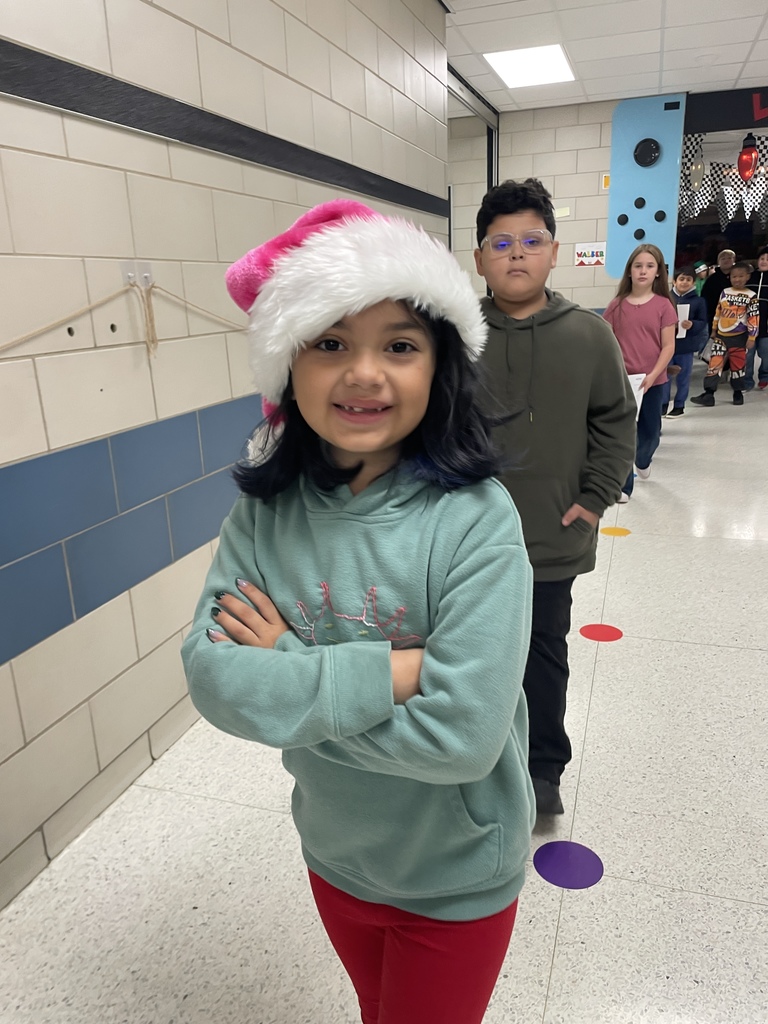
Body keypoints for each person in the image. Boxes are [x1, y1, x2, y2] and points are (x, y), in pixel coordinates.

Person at [182, 200, 536, 1024]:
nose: (365, 372)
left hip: (458, 874)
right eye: (331, 342)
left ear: (438, 366)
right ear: (288, 367)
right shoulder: (267, 515)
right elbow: (214, 678)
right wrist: (404, 669)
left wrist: (293, 667)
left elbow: (463, 739)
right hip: (335, 855)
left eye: (399, 345)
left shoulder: (475, 520)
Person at [473, 179, 636, 816]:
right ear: (480, 256)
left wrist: (593, 499)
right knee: (474, 655)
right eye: (502, 242)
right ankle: (478, 759)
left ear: (554, 251)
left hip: (551, 533)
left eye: (531, 241)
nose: (517, 254)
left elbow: (615, 420)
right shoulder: (455, 338)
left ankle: (543, 769)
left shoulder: (590, 335)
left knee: (543, 653)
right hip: (468, 541)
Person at [602, 244, 677, 500]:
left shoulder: (664, 306)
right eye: (638, 266)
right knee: (624, 435)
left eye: (649, 266)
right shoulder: (616, 305)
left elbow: (668, 346)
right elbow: (606, 341)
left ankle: (643, 460)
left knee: (649, 433)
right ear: (630, 271)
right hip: (624, 382)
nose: (643, 271)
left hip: (653, 382)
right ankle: (624, 486)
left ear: (658, 272)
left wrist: (653, 375)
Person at [691, 260, 758, 407]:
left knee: (738, 366)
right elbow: (718, 312)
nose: (737, 279)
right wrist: (714, 330)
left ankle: (738, 393)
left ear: (747, 277)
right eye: (734, 276)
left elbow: (754, 318)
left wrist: (752, 337)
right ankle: (709, 394)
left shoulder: (752, 296)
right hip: (721, 336)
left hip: (740, 337)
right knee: (714, 364)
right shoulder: (725, 292)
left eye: (741, 276)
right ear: (730, 277)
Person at [663, 266, 708, 416]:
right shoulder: (666, 299)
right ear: (674, 281)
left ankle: (679, 405)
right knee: (664, 376)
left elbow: (702, 322)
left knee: (683, 377)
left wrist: (693, 324)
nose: (684, 282)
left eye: (688, 280)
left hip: (686, 346)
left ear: (693, 282)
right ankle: (663, 404)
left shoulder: (699, 301)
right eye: (681, 279)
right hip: (666, 345)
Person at [746, 246, 768, 390]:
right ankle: (747, 380)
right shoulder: (749, 277)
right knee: (748, 356)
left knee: (766, 355)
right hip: (748, 326)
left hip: (766, 326)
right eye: (762, 258)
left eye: (767, 259)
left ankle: (764, 375)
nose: (764, 261)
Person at [702, 248, 735, 330]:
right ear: (718, 262)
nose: (726, 260)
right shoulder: (712, 279)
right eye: (723, 258)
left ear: (734, 260)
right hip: (714, 316)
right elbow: (705, 298)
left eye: (729, 258)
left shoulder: (738, 277)